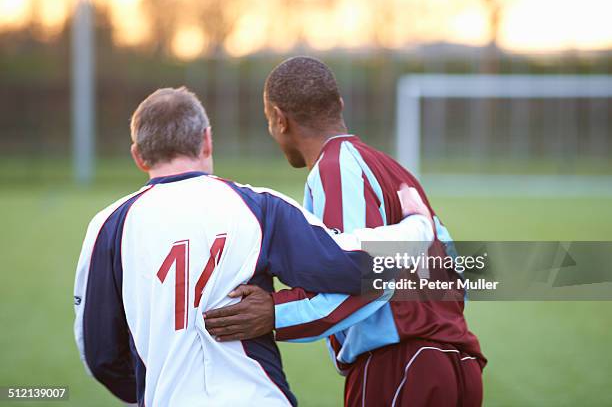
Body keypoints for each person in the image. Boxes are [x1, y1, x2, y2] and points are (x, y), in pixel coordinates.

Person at [73, 87, 435, 406]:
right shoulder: (259, 207)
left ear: (138, 156)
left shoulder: (108, 226)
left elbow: (100, 353)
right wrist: (418, 227)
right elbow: (353, 266)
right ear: (206, 140)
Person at [204, 57, 486, 407]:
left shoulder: (334, 168)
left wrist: (276, 311)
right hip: (458, 366)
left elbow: (362, 274)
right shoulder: (393, 170)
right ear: (339, 105)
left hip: (400, 367)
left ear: (278, 119)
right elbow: (453, 273)